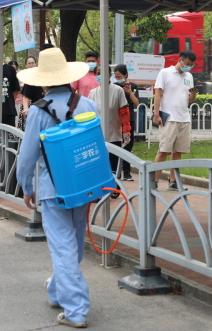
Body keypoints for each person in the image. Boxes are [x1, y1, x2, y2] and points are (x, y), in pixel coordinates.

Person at [16, 47, 97, 329]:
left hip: (53, 187)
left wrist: (26, 186)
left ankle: (76, 310)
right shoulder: (87, 105)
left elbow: (28, 155)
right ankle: (56, 291)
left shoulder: (38, 111)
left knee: (62, 246)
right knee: (72, 244)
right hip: (83, 184)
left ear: (44, 81)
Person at [152, 50, 197, 190]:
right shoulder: (165, 73)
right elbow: (158, 94)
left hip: (184, 117)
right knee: (164, 150)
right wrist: (156, 114)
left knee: (178, 152)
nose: (188, 66)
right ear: (180, 60)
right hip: (169, 118)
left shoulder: (189, 76)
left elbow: (190, 99)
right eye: (187, 63)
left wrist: (194, 95)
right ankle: (154, 180)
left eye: (191, 65)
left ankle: (173, 181)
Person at [88, 64, 131, 195]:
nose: (101, 75)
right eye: (98, 73)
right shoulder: (93, 93)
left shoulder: (118, 91)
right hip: (97, 135)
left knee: (113, 164)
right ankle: (98, 190)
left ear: (109, 74)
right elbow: (89, 115)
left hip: (114, 134)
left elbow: (124, 112)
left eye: (103, 72)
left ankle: (114, 188)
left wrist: (126, 130)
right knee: (98, 164)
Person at [113, 64, 139, 181]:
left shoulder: (133, 86)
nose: (118, 79)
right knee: (117, 145)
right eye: (116, 76)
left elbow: (137, 103)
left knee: (128, 145)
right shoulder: (114, 86)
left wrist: (130, 92)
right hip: (116, 119)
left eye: (120, 76)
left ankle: (127, 172)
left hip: (129, 119)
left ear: (126, 75)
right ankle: (116, 172)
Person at [19, 56, 45, 131]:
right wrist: (26, 108)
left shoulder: (41, 76)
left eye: (33, 63)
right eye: (29, 63)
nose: (31, 65)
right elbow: (26, 95)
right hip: (31, 107)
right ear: (26, 65)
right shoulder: (28, 78)